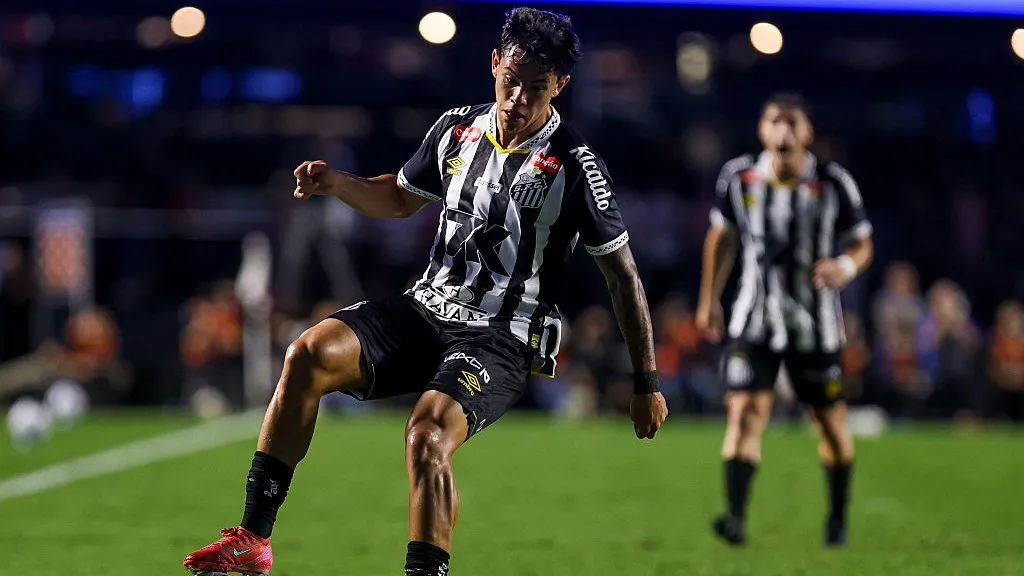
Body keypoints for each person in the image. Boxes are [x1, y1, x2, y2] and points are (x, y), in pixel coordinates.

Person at [183, 8, 668, 576]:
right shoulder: (457, 129)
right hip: (426, 307)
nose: (517, 98)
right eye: (510, 80)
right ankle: (252, 542)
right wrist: (338, 183)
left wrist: (646, 383)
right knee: (306, 353)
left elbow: (624, 275)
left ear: (560, 86)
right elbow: (399, 198)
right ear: (494, 64)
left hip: (501, 338)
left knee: (427, 435)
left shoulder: (575, 166)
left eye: (536, 88)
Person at [695, 93, 874, 548]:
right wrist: (709, 300)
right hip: (753, 321)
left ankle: (837, 517)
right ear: (762, 130)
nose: (783, 130)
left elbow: (862, 242)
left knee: (828, 424)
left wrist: (845, 268)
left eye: (792, 121)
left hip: (814, 326)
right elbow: (722, 236)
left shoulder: (834, 183)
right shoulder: (739, 178)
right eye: (774, 120)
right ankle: (734, 517)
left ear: (806, 132)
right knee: (745, 414)